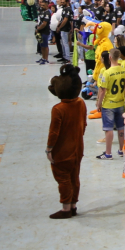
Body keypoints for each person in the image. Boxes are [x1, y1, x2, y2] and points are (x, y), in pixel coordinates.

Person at [45, 64, 86, 219]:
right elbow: (84, 124)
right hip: (78, 148)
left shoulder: (58, 109)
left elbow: (54, 132)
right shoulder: (81, 103)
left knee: (63, 178)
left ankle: (66, 208)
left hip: (63, 151)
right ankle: (74, 205)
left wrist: (49, 149)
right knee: (75, 177)